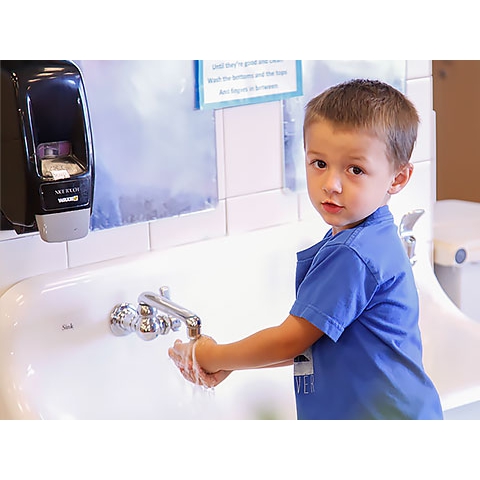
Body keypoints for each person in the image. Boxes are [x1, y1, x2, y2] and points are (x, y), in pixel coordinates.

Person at [168, 79, 443, 420]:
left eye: (355, 169)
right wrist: (231, 364)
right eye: (319, 163)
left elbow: (291, 340)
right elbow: (317, 341)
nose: (331, 184)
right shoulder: (368, 236)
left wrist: (212, 355)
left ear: (397, 179)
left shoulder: (353, 254)